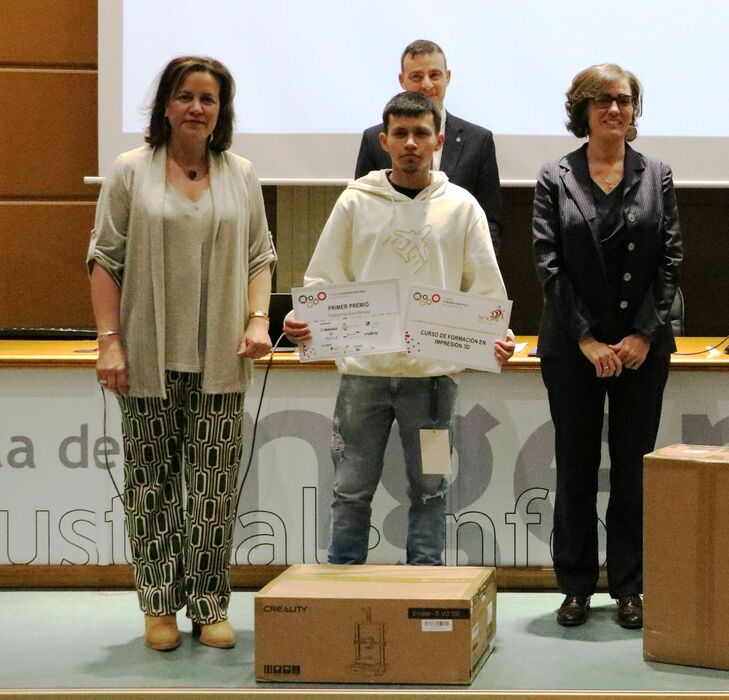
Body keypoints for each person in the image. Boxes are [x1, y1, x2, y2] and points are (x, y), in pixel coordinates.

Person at [87, 56, 277, 651]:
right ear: (166, 105)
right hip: (146, 357)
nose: (198, 107)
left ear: (222, 111)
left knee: (214, 489)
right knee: (152, 486)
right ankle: (159, 607)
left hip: (222, 358)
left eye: (210, 99)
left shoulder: (240, 173)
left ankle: (210, 603)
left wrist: (256, 320)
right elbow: (104, 260)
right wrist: (109, 342)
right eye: (186, 96)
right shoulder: (129, 172)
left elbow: (259, 257)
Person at [286, 91, 513, 568]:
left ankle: (424, 586)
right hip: (363, 377)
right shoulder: (355, 202)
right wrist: (305, 321)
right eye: (401, 134)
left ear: (439, 141)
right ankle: (343, 587)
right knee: (350, 488)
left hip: (433, 382)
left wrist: (497, 335)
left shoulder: (462, 206)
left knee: (431, 489)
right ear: (384, 140)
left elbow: (485, 292)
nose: (411, 143)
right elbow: (324, 279)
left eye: (422, 134)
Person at [533, 64, 682, 630]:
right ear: (582, 108)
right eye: (602, 101)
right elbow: (548, 265)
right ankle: (575, 586)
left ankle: (629, 587)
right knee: (574, 467)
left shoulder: (657, 174)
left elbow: (671, 260)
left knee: (632, 471)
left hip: (643, 347)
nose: (614, 109)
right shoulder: (554, 175)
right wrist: (588, 339)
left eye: (623, 100)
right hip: (574, 348)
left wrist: (644, 333)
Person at [354, 39, 505, 258]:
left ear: (448, 77)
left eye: (434, 75)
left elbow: (490, 221)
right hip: (389, 264)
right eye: (416, 76)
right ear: (402, 80)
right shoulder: (373, 139)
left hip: (454, 269)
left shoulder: (478, 141)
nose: (426, 85)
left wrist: (480, 274)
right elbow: (363, 213)